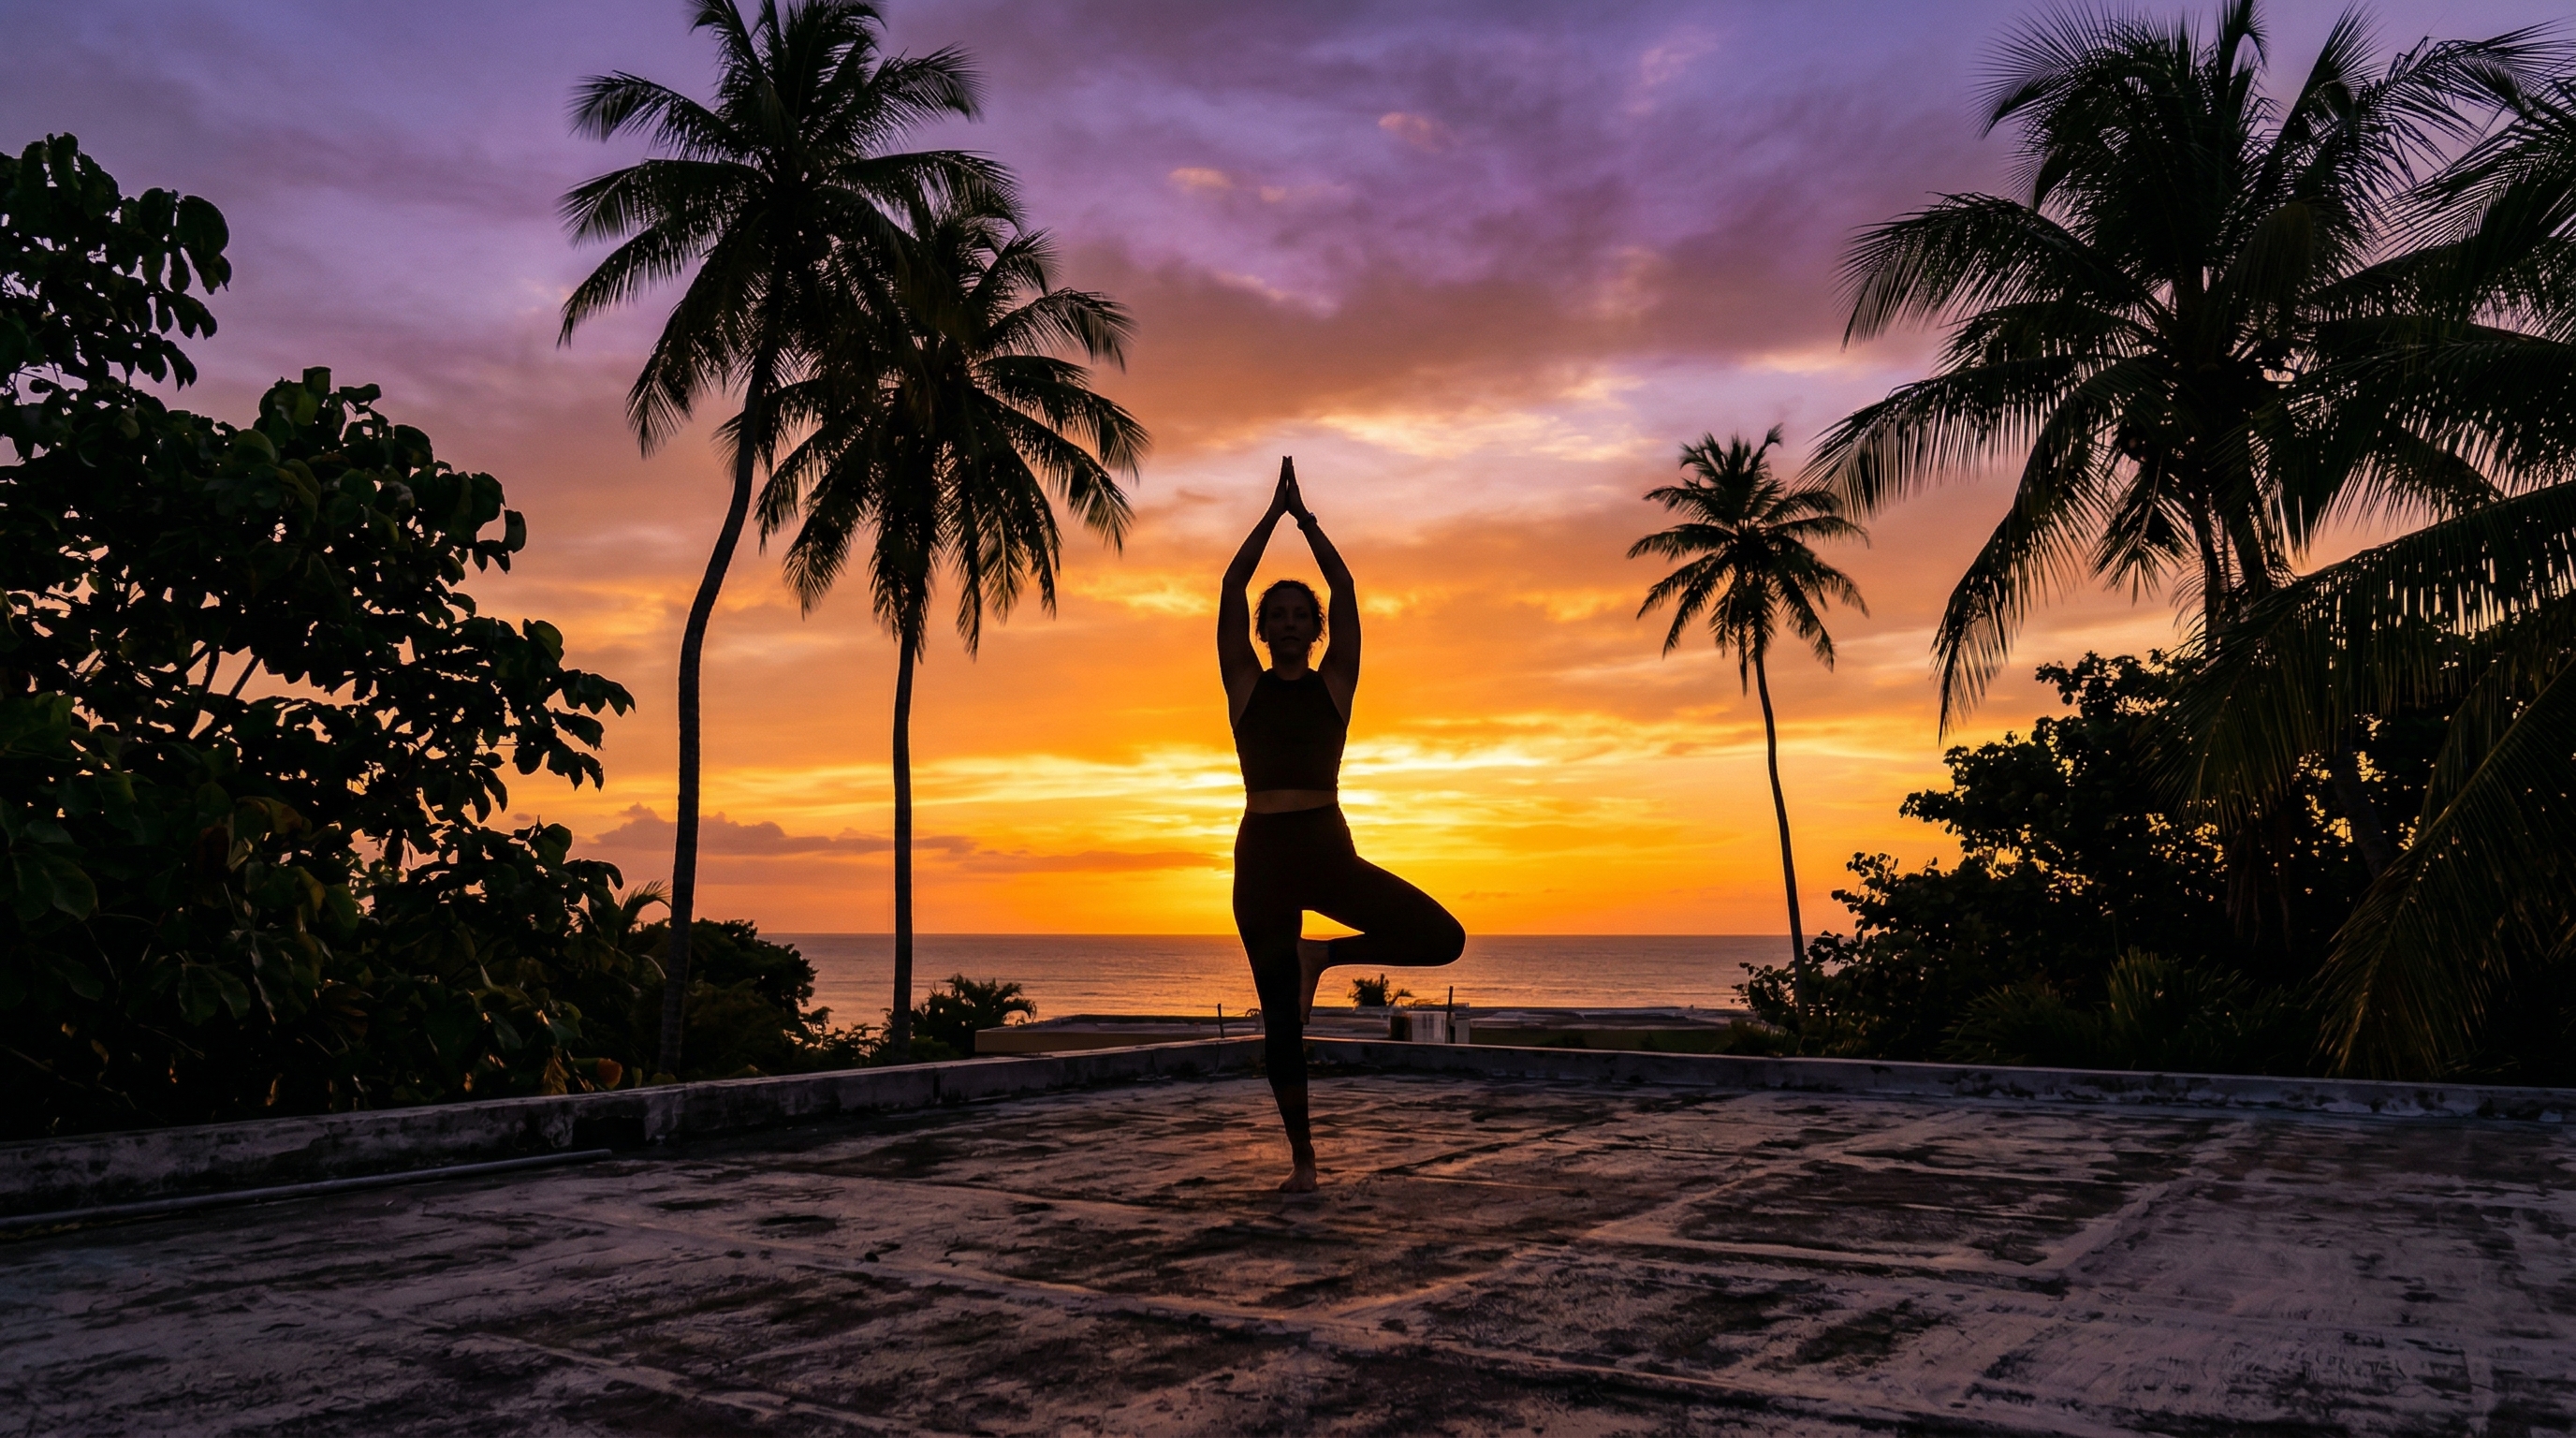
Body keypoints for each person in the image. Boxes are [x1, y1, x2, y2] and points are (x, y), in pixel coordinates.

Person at [1219, 457, 1466, 1193]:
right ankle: (1303, 1160)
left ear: (1315, 629)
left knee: (1443, 937)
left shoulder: (1335, 684)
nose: (1290, 623)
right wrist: (1270, 517)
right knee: (1279, 1022)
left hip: (1325, 847)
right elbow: (1231, 587)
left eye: (1302, 615)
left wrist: (1307, 522)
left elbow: (1347, 589)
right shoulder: (1244, 685)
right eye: (1279, 615)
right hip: (1262, 856)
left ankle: (1321, 954)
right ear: (1264, 630)